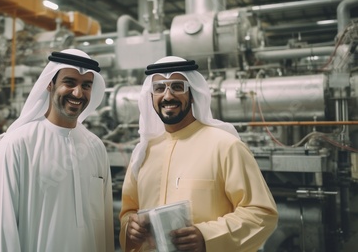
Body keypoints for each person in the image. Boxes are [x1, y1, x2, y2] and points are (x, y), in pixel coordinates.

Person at [119, 56, 278, 252]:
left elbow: (261, 213)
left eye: (177, 87)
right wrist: (130, 228)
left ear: (193, 93)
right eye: (159, 88)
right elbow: (129, 212)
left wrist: (207, 237)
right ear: (150, 96)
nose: (168, 96)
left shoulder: (225, 146)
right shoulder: (142, 153)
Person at [0, 49, 115, 252]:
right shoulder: (16, 145)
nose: (78, 93)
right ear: (50, 84)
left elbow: (104, 225)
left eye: (86, 86)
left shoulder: (95, 147)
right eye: (69, 83)